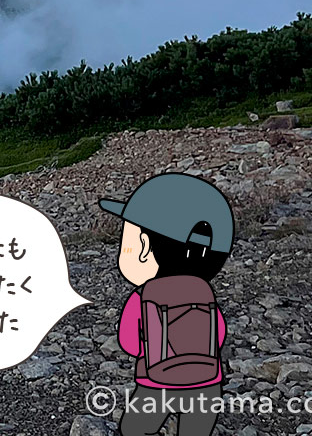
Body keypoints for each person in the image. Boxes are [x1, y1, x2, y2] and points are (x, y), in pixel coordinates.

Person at [97, 173, 234, 436]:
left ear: (144, 246)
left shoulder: (143, 295)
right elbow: (219, 333)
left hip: (156, 383)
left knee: (134, 429)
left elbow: (128, 341)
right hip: (207, 383)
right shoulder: (204, 292)